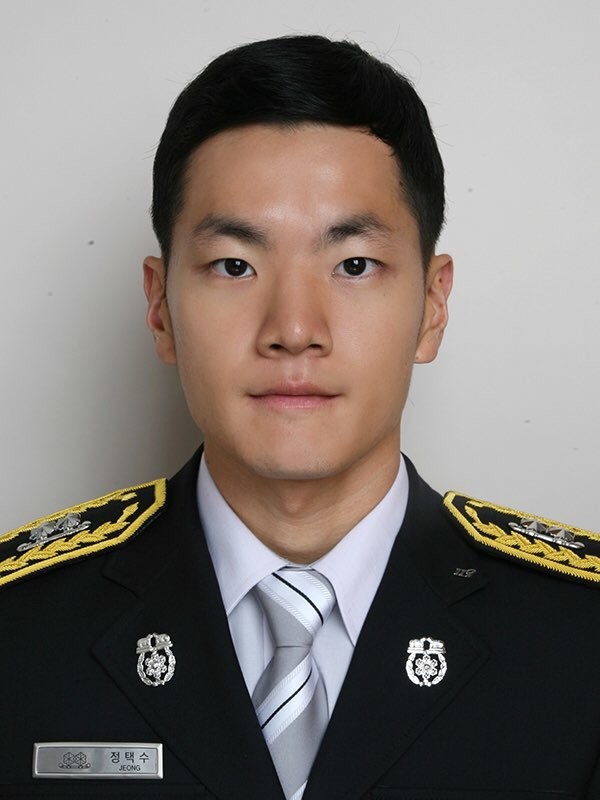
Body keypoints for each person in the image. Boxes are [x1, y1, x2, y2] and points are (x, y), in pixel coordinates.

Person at [1, 34, 599, 799]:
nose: (293, 328)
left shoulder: (580, 635)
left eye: (353, 265)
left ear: (432, 306)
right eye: (235, 265)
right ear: (159, 308)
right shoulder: (20, 628)